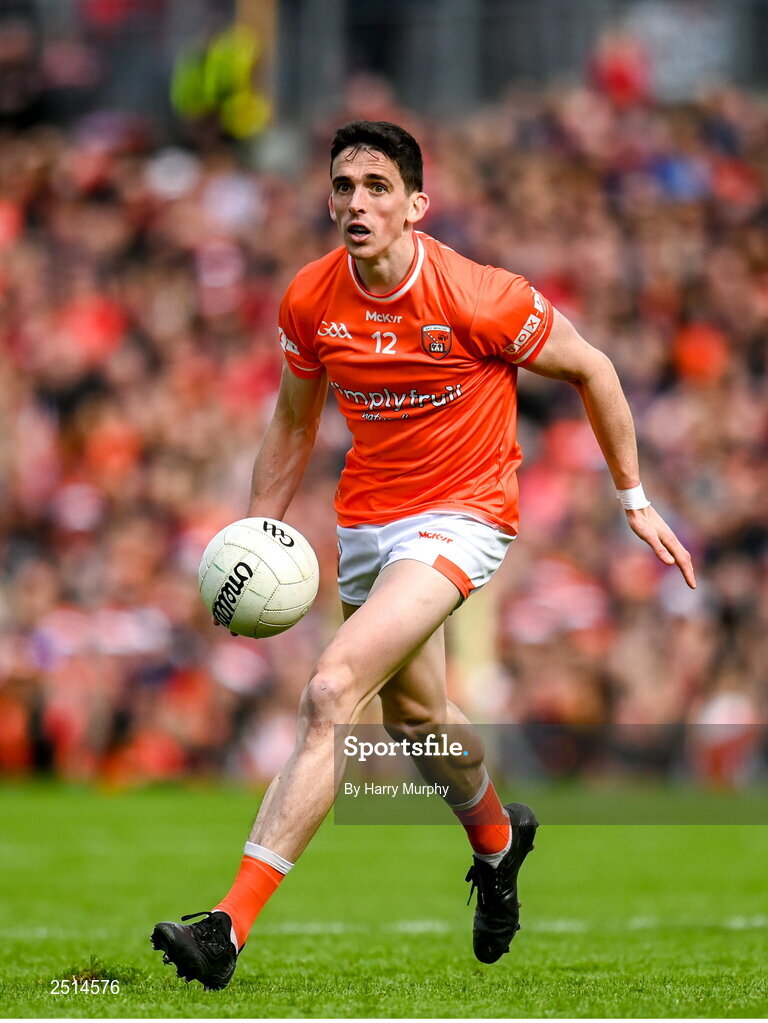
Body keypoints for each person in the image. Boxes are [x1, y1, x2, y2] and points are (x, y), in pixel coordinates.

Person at [150, 120, 696, 989]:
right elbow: (294, 420)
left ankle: (226, 926)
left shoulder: (480, 295)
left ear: (415, 205)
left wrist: (632, 497)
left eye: (374, 187)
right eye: (342, 187)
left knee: (332, 690)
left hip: (463, 517)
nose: (355, 203)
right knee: (416, 723)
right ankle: (499, 840)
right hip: (368, 524)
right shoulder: (311, 299)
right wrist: (254, 536)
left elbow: (595, 369)